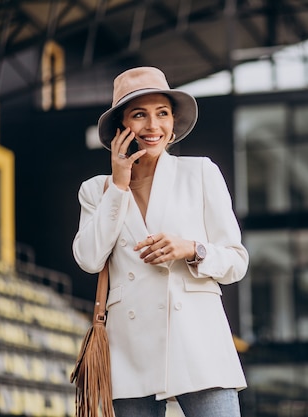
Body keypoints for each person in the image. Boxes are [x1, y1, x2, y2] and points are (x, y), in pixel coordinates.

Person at [72, 67, 248, 417]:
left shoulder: (200, 173)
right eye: (140, 115)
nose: (153, 126)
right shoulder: (97, 189)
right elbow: (90, 259)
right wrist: (118, 187)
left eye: (162, 113)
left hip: (198, 342)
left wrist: (192, 249)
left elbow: (236, 261)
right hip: (130, 349)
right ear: (121, 127)